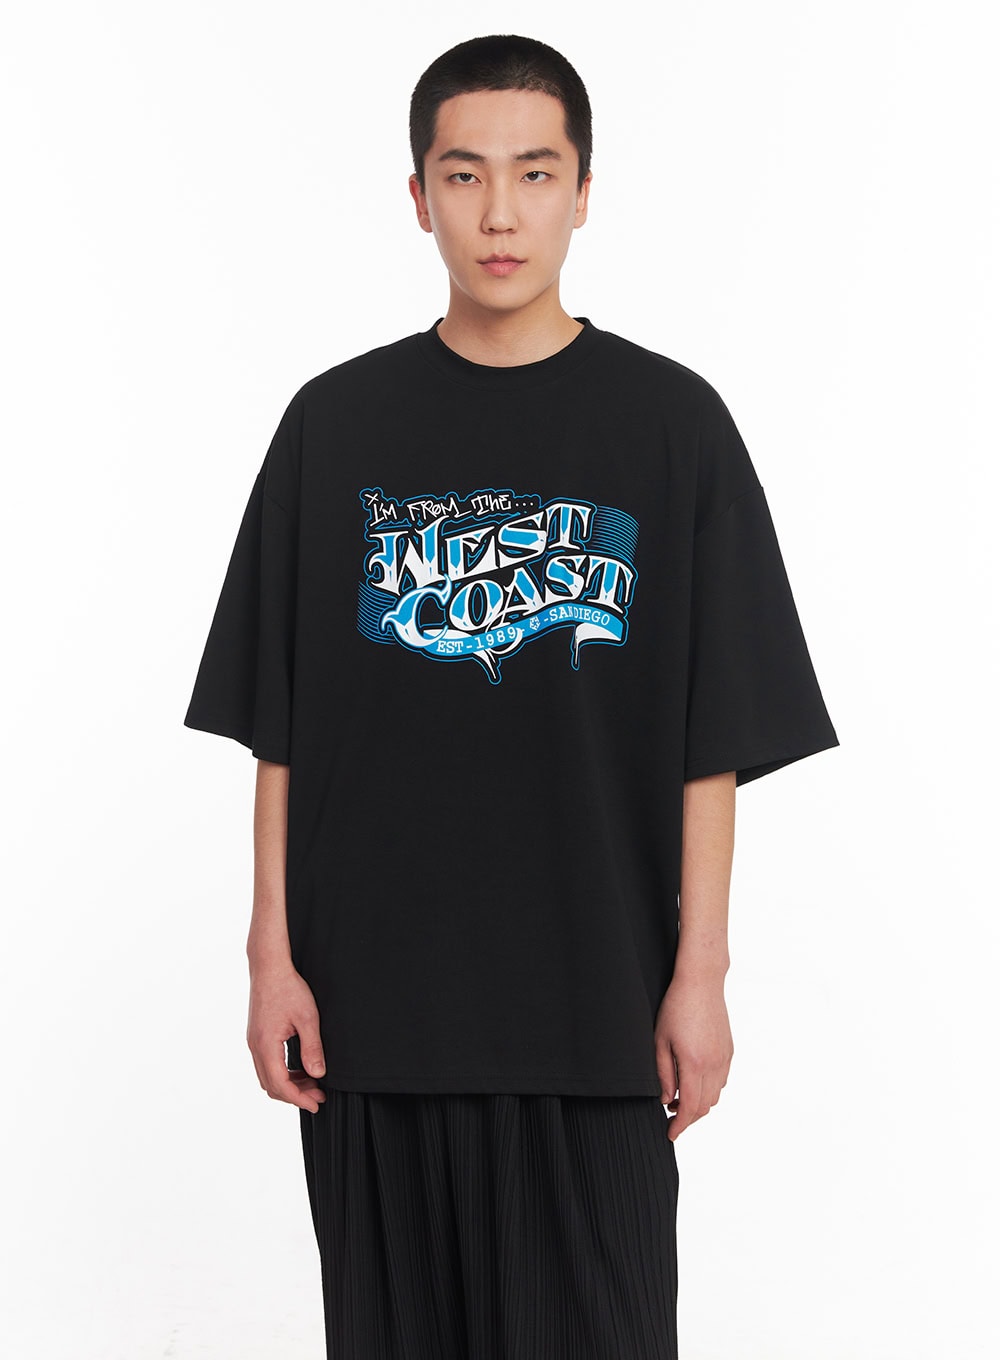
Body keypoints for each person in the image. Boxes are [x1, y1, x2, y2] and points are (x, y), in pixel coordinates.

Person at [183, 32, 839, 1360]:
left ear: (583, 192)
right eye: (464, 174)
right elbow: (280, 724)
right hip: (374, 1015)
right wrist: (271, 955)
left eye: (535, 174)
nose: (499, 213)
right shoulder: (333, 427)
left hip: (597, 1011)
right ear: (417, 195)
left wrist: (701, 975)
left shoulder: (673, 426)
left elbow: (711, 739)